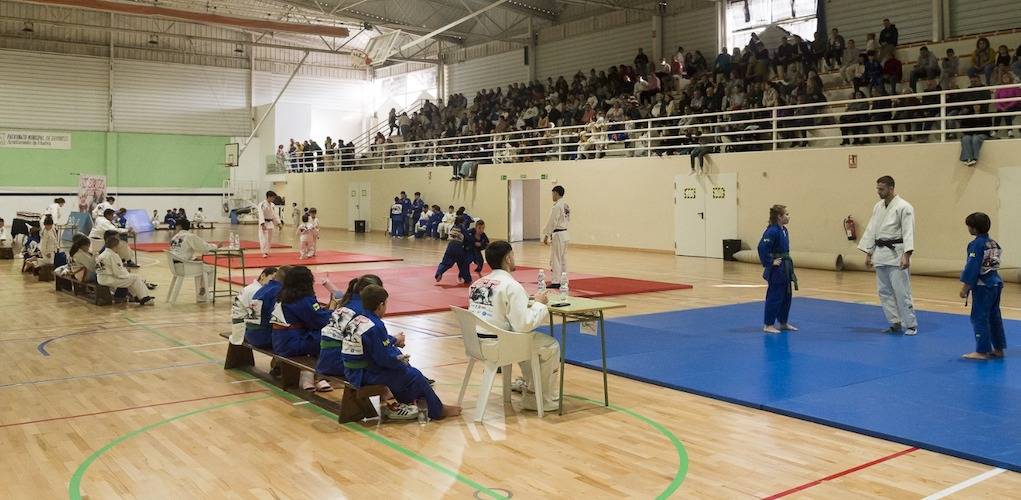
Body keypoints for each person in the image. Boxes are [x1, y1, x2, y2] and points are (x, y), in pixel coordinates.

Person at [337, 285, 461, 420]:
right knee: (414, 375)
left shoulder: (357, 320)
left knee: (405, 372)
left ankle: (406, 404)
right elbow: (383, 358)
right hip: (364, 375)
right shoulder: (375, 325)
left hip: (352, 370)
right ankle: (438, 410)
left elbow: (376, 348)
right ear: (381, 305)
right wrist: (400, 361)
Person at [469, 240, 559, 412]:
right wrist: (540, 304)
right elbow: (524, 325)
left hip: (477, 344)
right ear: (509, 258)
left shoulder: (476, 284)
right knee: (549, 345)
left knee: (525, 341)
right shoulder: (511, 286)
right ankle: (538, 397)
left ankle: (532, 388)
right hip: (500, 346)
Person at [858, 176, 917, 335]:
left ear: (891, 188)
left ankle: (910, 324)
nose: (878, 192)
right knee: (884, 291)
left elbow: (908, 232)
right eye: (877, 188)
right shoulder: (878, 206)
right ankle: (894, 322)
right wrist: (869, 252)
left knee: (901, 291)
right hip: (880, 253)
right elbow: (872, 230)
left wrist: (907, 255)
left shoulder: (905, 207)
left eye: (881, 189)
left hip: (897, 253)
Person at [268, 266, 332, 391]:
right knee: (329, 335)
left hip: (279, 341)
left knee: (316, 333)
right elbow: (320, 320)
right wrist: (332, 311)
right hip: (293, 344)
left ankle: (310, 375)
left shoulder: (283, 296)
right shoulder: (303, 299)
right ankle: (319, 375)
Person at [958, 212, 1006, 360]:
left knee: (979, 316)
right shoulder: (993, 243)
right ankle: (998, 348)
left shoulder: (976, 244)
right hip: (995, 283)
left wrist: (965, 287)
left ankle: (982, 351)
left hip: (983, 285)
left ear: (973, 228)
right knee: (994, 316)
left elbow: (972, 267)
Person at [757, 205, 798, 334]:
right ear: (779, 217)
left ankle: (783, 322)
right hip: (777, 269)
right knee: (775, 296)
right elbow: (762, 248)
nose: (788, 216)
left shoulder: (784, 230)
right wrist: (770, 262)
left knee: (787, 295)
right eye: (786, 214)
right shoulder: (772, 231)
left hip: (785, 267)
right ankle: (768, 324)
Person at [96, 231, 154, 305]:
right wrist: (126, 273)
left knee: (131, 279)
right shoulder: (113, 255)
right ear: (115, 246)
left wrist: (126, 274)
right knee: (135, 277)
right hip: (109, 279)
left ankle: (137, 297)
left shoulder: (103, 254)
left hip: (101, 278)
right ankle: (145, 298)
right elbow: (118, 273)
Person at [169, 220, 217, 302]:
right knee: (210, 268)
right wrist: (216, 246)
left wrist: (193, 258)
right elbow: (204, 248)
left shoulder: (174, 237)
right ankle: (203, 294)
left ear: (179, 226)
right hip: (184, 267)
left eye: (176, 226)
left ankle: (201, 294)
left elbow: (181, 253)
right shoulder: (190, 236)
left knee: (201, 265)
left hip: (175, 266)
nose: (175, 227)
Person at [230, 267, 277, 345]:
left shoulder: (254, 287)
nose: (274, 282)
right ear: (263, 276)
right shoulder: (256, 290)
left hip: (239, 323)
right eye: (273, 278)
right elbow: (258, 315)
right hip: (242, 328)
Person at [247, 266, 290, 349]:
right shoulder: (278, 291)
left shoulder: (262, 289)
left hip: (250, 334)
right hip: (263, 338)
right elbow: (277, 319)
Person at [542, 186, 570, 288]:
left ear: (556, 193)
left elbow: (552, 222)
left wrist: (546, 235)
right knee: (563, 259)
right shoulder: (566, 205)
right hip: (565, 233)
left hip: (558, 234)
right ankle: (564, 280)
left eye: (552, 193)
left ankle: (556, 281)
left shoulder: (557, 206)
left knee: (556, 258)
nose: (552, 196)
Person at [435, 215, 471, 284]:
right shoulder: (462, 228)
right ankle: (468, 279)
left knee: (445, 262)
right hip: (458, 247)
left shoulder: (453, 227)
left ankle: (439, 273)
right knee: (463, 264)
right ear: (463, 222)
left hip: (450, 246)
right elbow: (468, 238)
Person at [257, 191, 281, 257]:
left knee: (269, 239)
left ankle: (267, 252)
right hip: (264, 223)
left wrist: (279, 223)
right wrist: (262, 224)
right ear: (269, 197)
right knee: (263, 238)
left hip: (270, 223)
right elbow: (260, 214)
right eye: (273, 197)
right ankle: (263, 252)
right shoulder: (262, 204)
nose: (274, 199)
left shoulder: (273, 205)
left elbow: (275, 215)